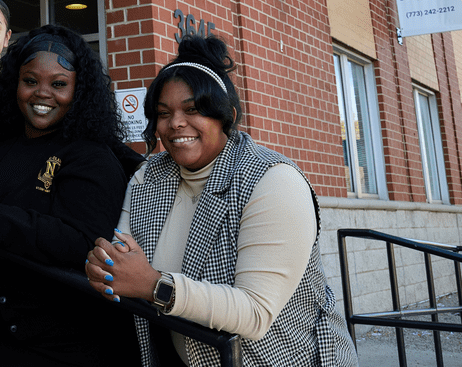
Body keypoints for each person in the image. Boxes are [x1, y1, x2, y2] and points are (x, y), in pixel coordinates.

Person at [85, 36, 357, 367]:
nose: (176, 124)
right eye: (163, 113)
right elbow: (121, 261)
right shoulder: (150, 176)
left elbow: (255, 313)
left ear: (224, 114)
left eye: (192, 109)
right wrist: (105, 268)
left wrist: (154, 286)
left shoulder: (271, 180)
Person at [0, 24, 142, 367]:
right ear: (14, 83)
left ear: (79, 90)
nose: (42, 93)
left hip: (57, 347)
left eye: (58, 84)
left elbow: (87, 239)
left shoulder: (92, 156)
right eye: (30, 81)